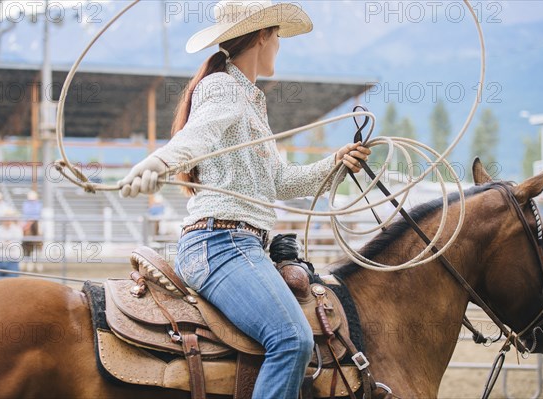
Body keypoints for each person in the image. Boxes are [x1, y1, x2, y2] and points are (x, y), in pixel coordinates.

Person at [118, 1, 371, 397]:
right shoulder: (222, 87)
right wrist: (161, 161)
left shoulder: (251, 100)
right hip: (222, 243)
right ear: (262, 36)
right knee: (292, 340)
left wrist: (336, 164)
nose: (279, 46)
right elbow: (198, 135)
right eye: (278, 38)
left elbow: (280, 181)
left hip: (239, 242)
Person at [0, 208, 24, 278]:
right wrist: (6, 243)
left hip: (12, 260)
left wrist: (1, 244)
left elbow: (17, 245)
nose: (7, 220)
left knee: (13, 285)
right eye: (5, 218)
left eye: (9, 218)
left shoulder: (17, 230)